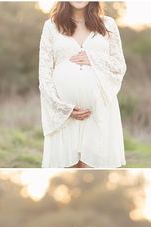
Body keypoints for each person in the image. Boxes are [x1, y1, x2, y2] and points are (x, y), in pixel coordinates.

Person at [39, 1, 126, 168]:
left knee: (92, 171)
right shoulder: (51, 26)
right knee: (66, 171)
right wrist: (63, 108)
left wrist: (94, 59)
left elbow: (119, 66)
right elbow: (44, 74)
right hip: (64, 113)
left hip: (98, 111)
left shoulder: (108, 24)